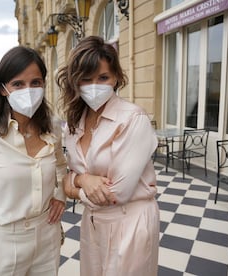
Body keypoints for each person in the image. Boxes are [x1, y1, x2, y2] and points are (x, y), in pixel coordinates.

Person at [0, 45, 67, 276]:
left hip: (47, 236)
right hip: (3, 243)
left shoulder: (53, 127)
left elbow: (60, 165)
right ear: (4, 89)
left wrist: (60, 196)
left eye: (35, 82)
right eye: (18, 84)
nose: (28, 90)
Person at [56, 36, 160, 276]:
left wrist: (72, 184)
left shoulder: (133, 119)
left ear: (115, 78)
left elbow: (116, 194)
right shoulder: (75, 123)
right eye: (86, 79)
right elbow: (67, 175)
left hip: (129, 222)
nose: (95, 86)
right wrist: (84, 180)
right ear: (75, 82)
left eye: (103, 78)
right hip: (92, 222)